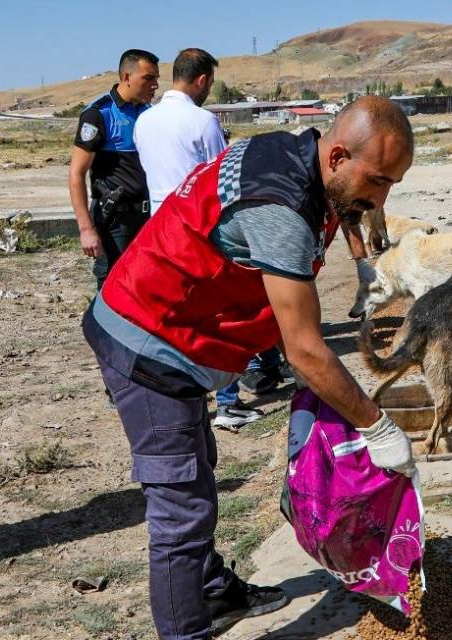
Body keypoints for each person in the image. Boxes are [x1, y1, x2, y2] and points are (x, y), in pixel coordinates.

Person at [82, 96, 414, 640]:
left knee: (198, 471)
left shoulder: (294, 158)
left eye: (392, 184)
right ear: (335, 158)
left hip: (179, 334)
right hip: (148, 340)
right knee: (180, 507)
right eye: (377, 181)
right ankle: (185, 631)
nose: (381, 198)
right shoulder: (281, 206)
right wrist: (375, 426)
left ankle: (211, 592)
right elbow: (304, 351)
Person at [132, 47, 276, 429]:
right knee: (220, 310)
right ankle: (228, 402)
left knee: (173, 310)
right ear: (201, 80)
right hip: (198, 224)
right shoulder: (202, 122)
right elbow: (224, 178)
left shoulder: (144, 121)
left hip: (159, 226)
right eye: (209, 83)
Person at [69, 49, 159, 289]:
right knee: (112, 286)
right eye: (148, 78)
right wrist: (86, 229)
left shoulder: (150, 113)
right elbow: (76, 174)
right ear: (126, 77)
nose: (155, 85)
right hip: (115, 221)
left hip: (148, 217)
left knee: (145, 284)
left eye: (156, 79)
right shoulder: (99, 114)